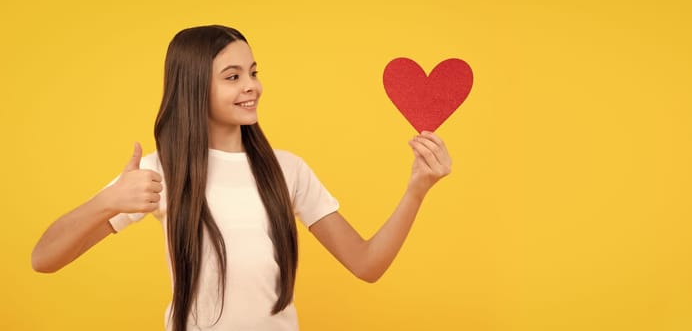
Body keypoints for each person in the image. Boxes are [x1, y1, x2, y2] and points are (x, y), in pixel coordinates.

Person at [30, 25, 452, 331]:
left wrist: (418, 188)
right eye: (233, 77)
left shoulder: (288, 171)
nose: (252, 86)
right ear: (195, 88)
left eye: (253, 71)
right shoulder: (163, 171)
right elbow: (44, 259)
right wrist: (109, 201)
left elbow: (367, 265)